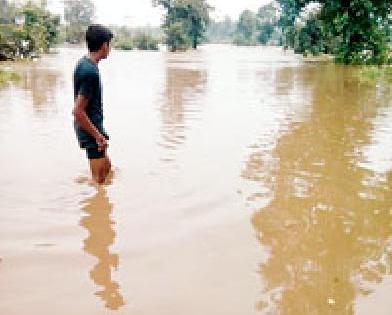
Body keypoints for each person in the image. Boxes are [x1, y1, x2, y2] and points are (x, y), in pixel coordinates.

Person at [73, 24, 113, 184]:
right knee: (99, 182)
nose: (110, 48)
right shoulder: (90, 72)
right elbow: (77, 111)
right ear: (104, 45)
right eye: (110, 45)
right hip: (90, 130)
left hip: (93, 127)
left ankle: (83, 183)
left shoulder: (85, 63)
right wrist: (97, 136)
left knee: (108, 168)